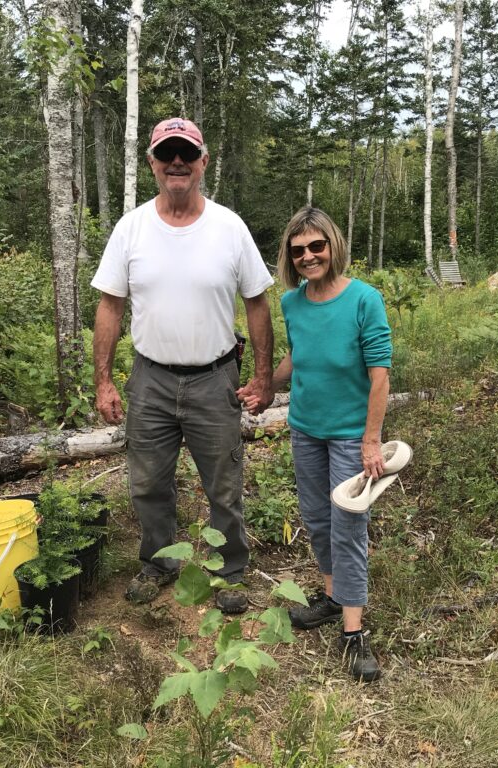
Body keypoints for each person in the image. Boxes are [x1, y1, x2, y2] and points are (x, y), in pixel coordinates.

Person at [91, 117, 274, 614]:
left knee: (224, 481)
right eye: (167, 154)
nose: (177, 162)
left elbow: (257, 302)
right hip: (150, 380)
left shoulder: (229, 227)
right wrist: (103, 380)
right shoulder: (132, 228)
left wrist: (261, 376)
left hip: (215, 379)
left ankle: (228, 569)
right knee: (148, 481)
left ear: (202, 163)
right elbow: (110, 304)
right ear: (152, 162)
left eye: (187, 154)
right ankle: (158, 563)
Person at [240, 207, 392, 682]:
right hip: (306, 429)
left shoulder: (365, 299)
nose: (308, 256)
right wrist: (265, 385)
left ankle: (353, 633)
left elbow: (380, 374)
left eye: (316, 247)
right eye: (298, 249)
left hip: (350, 436)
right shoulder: (292, 303)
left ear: (333, 246)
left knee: (349, 527)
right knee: (317, 519)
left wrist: (372, 441)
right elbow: (297, 355)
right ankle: (331, 599)